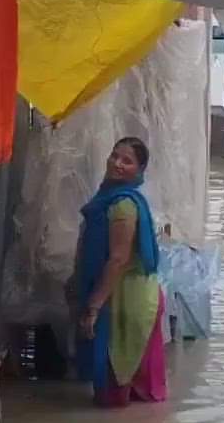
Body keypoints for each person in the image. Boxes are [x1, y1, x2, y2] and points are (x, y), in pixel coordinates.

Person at [71, 137, 167, 407]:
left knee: (112, 395)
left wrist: (93, 307)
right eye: (114, 156)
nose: (117, 164)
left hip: (127, 302)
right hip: (129, 295)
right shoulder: (106, 198)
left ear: (139, 170)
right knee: (133, 399)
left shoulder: (123, 204)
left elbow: (117, 259)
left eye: (127, 161)